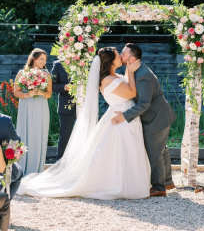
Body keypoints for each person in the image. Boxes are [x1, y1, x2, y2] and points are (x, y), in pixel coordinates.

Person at [17, 47, 151, 199]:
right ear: (111, 61)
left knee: (128, 151)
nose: (120, 55)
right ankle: (120, 185)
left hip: (124, 116)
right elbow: (131, 93)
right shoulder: (108, 80)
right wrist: (131, 71)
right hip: (119, 119)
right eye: (116, 54)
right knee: (121, 151)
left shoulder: (114, 76)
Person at [112, 43, 176, 197]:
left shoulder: (143, 76)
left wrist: (124, 116)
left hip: (156, 118)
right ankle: (167, 181)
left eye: (124, 53)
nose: (121, 55)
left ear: (132, 58)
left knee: (154, 151)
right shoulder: (135, 70)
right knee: (161, 149)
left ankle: (159, 187)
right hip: (157, 116)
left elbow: (144, 104)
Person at [14, 48, 52, 175]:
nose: (43, 62)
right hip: (26, 107)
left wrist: (40, 92)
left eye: (45, 60)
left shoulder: (46, 74)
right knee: (25, 134)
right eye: (41, 59)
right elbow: (16, 92)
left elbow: (49, 94)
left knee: (39, 135)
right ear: (33, 59)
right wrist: (28, 94)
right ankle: (21, 168)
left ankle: (37, 169)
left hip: (41, 107)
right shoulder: (22, 73)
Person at [51, 60, 76, 160]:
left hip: (84, 105)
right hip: (66, 106)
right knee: (65, 136)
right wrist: (64, 87)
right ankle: (60, 162)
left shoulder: (86, 62)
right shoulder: (58, 64)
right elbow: (52, 85)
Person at [0, 113, 23, 199]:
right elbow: (16, 142)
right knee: (19, 173)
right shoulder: (4, 121)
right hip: (2, 171)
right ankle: (5, 204)